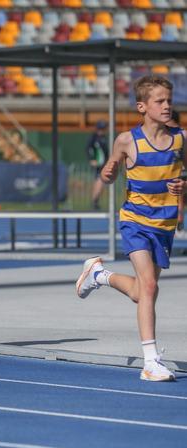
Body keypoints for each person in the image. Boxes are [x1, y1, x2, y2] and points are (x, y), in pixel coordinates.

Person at [75, 75, 186, 381]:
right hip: (135, 221)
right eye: (159, 101)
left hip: (164, 225)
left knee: (141, 292)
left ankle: (99, 275)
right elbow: (109, 174)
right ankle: (150, 361)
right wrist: (109, 172)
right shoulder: (127, 140)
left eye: (169, 100)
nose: (166, 106)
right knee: (150, 287)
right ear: (142, 106)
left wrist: (183, 183)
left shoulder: (181, 138)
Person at [86, 119, 109, 210]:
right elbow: (88, 149)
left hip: (104, 163)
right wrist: (91, 159)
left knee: (100, 182)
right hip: (99, 163)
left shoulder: (104, 138)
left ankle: (95, 200)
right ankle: (94, 200)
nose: (102, 131)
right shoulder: (94, 138)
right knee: (100, 181)